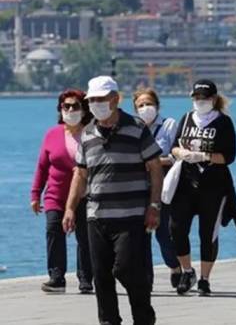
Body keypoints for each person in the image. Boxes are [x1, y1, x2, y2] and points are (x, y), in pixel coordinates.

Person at [62, 76, 163, 325]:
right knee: (101, 277)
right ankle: (108, 321)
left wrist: (154, 205)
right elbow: (81, 174)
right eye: (92, 100)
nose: (95, 104)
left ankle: (143, 316)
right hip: (97, 217)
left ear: (115, 99)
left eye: (100, 99)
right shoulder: (87, 134)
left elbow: (155, 168)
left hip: (131, 217)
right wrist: (70, 208)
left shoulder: (137, 128)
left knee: (126, 269)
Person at [170, 79, 236, 296]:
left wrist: (204, 156)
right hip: (185, 183)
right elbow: (174, 146)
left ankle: (204, 278)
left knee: (207, 233)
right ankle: (187, 270)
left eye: (205, 98)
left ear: (214, 99)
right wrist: (181, 153)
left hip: (213, 185)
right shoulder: (185, 119)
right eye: (196, 98)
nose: (200, 102)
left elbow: (229, 156)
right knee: (176, 228)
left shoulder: (223, 122)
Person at [31, 89, 93, 294]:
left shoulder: (92, 132)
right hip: (55, 196)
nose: (70, 110)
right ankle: (56, 277)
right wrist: (35, 194)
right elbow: (42, 166)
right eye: (66, 106)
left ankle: (85, 278)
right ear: (60, 109)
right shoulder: (52, 134)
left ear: (84, 109)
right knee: (53, 231)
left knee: (85, 237)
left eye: (75, 106)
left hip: (85, 196)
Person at [132, 88, 181, 289]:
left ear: (157, 105)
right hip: (138, 187)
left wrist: (154, 162)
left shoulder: (168, 125)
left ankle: (175, 266)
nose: (145, 108)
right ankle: (146, 279)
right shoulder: (134, 128)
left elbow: (175, 155)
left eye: (149, 103)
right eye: (140, 105)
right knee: (140, 236)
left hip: (162, 188)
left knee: (163, 234)